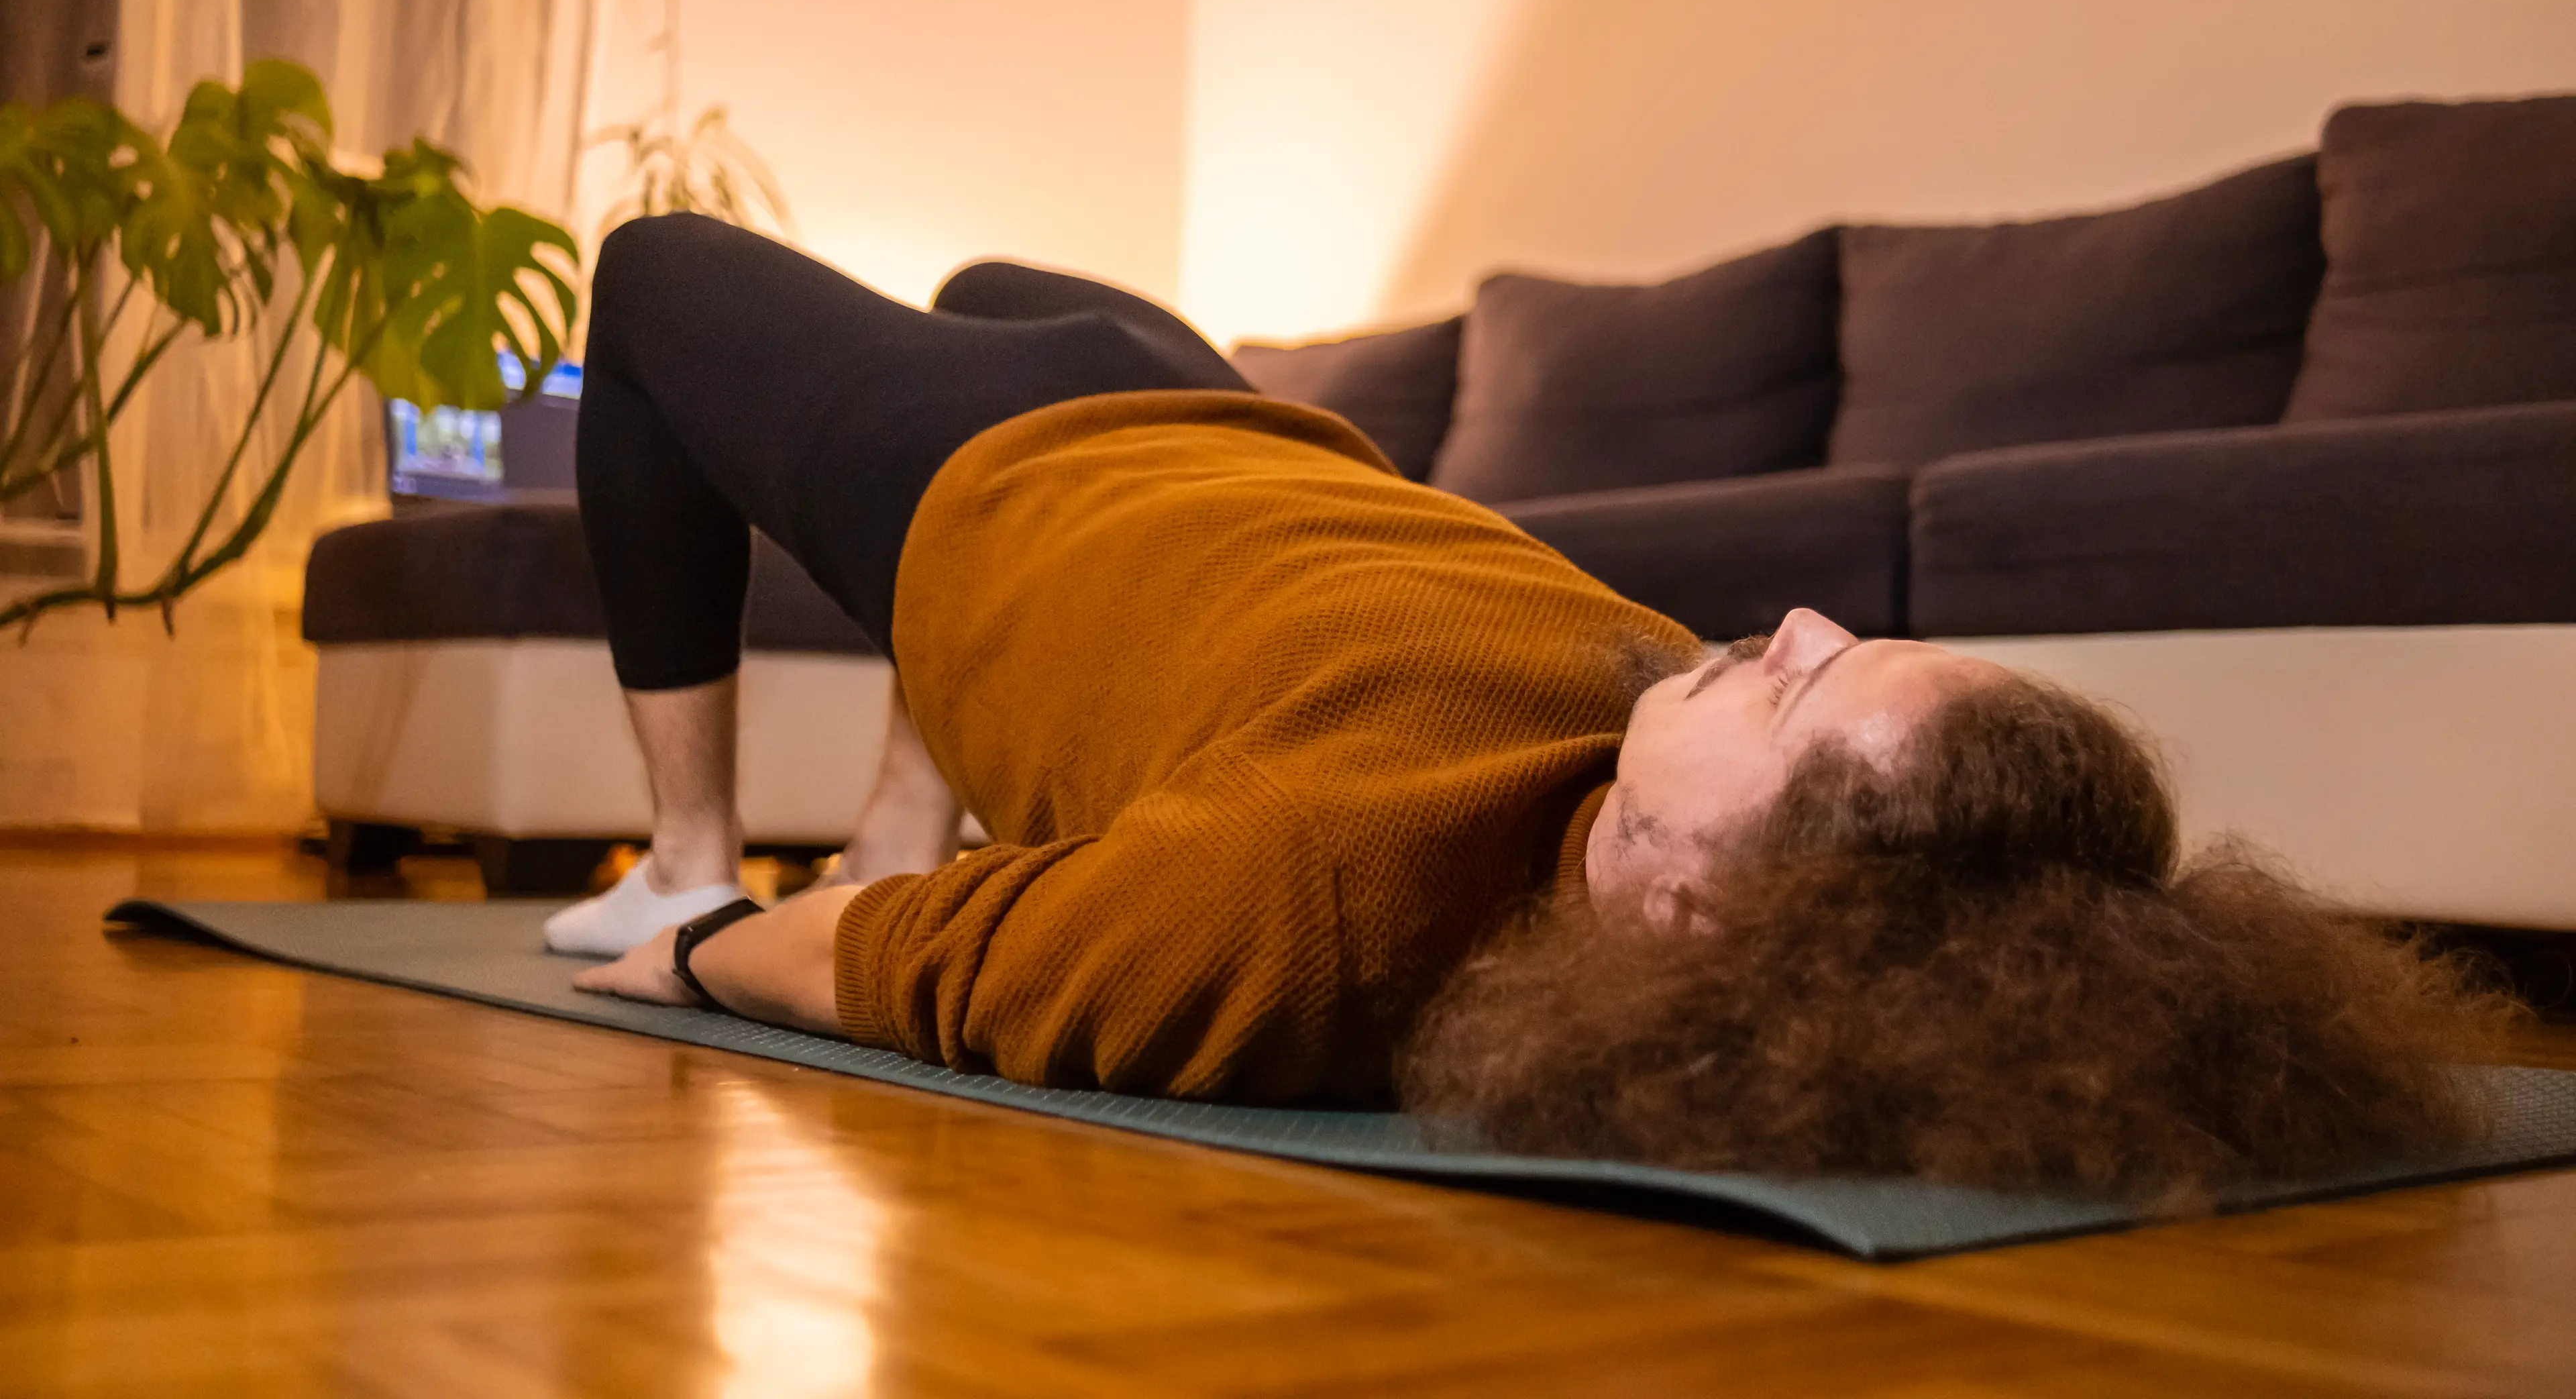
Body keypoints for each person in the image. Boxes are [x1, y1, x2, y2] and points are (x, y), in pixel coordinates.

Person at [557, 213, 2502, 1200]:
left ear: (1713, 920)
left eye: (1811, 691)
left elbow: (905, 961)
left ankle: (682, 841)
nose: (1798, 623)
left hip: (1019, 477)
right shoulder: (1654, 736)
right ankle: (907, 789)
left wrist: (705, 946)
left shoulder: (1285, 902)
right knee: (996, 268)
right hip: (1261, 439)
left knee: (646, 280)